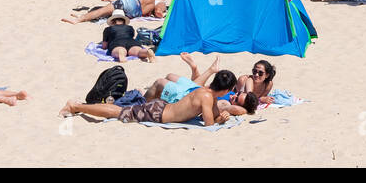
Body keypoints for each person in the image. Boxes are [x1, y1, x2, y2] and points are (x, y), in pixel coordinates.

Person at [60, 70, 238, 125]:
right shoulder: (207, 97)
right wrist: (219, 121)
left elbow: (213, 115)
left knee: (121, 111)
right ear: (227, 89)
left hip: (160, 108)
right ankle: (77, 106)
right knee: (118, 113)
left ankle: (78, 106)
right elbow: (209, 123)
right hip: (158, 113)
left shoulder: (206, 93)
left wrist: (219, 117)